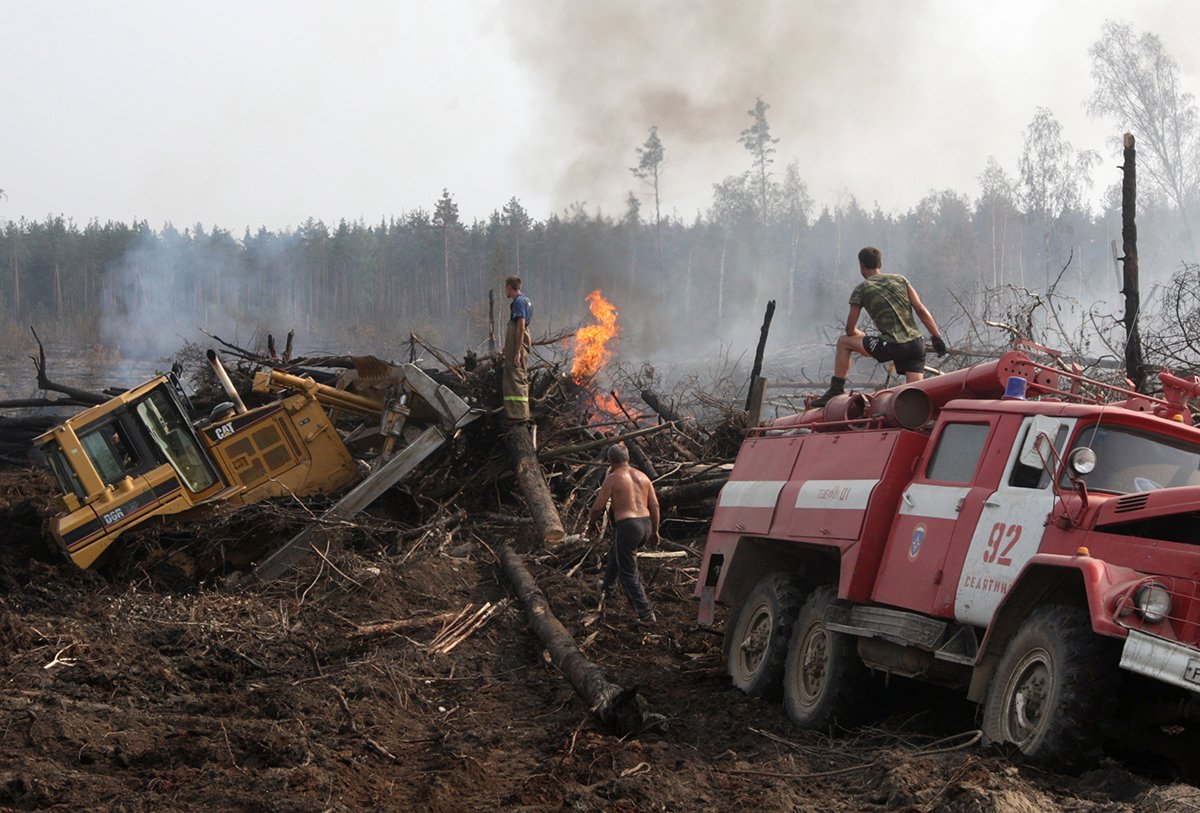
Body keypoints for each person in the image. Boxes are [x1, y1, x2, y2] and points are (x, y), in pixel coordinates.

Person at [811, 246, 948, 407]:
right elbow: (920, 309)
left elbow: (849, 330)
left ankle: (835, 390)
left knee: (843, 341)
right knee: (915, 393)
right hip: (916, 344)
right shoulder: (900, 280)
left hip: (891, 345)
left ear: (861, 266)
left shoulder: (861, 289)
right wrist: (937, 337)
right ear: (880, 263)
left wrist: (861, 337)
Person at [587, 443, 660, 624]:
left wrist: (591, 523)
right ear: (628, 458)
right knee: (617, 551)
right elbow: (655, 505)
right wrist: (655, 530)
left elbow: (597, 507)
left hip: (628, 525)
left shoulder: (613, 478)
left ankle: (646, 613)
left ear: (610, 461)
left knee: (628, 572)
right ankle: (607, 587)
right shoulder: (643, 477)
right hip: (645, 524)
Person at [502, 275, 532, 422]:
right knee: (515, 375)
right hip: (518, 342)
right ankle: (517, 412)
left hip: (518, 343)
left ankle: (518, 414)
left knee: (516, 377)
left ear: (509, 287)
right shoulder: (525, 300)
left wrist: (517, 353)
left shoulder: (519, 302)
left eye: (505, 288)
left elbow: (520, 327)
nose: (505, 291)